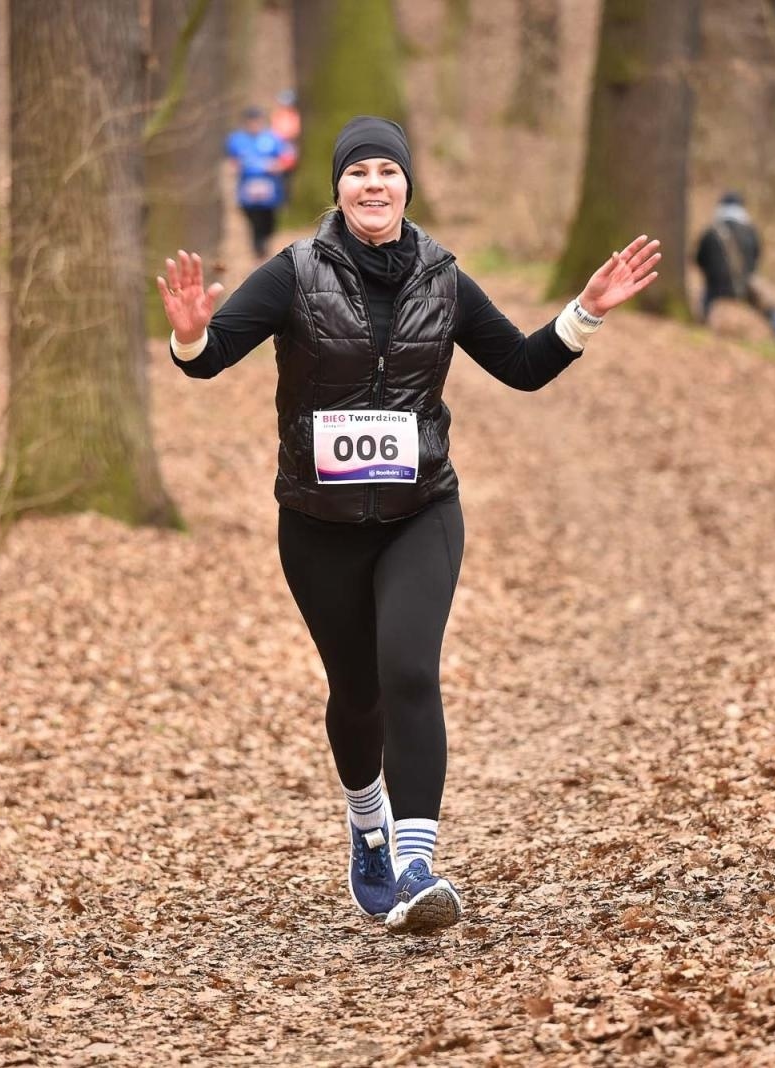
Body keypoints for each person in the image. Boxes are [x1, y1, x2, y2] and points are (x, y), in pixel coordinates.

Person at [157, 116, 660, 934]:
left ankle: (416, 865)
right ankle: (367, 828)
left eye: (387, 171)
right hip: (318, 522)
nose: (373, 185)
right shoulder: (292, 273)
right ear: (338, 189)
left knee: (409, 670)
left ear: (406, 187)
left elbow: (524, 367)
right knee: (356, 694)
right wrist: (188, 335)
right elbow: (211, 358)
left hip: (421, 509)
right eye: (358, 173)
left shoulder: (444, 277)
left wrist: (586, 312)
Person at [694, 192, 775, 352]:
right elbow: (756, 257)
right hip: (745, 285)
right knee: (772, 313)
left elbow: (699, 259)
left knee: (702, 308)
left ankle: (698, 337)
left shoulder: (710, 232)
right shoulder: (750, 231)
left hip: (715, 287)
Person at [224, 106, 292, 259]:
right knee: (253, 220)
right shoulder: (237, 140)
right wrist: (236, 166)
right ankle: (258, 248)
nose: (254, 124)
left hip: (270, 190)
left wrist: (277, 166)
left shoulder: (273, 138)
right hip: (248, 189)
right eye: (251, 121)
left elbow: (287, 158)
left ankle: (265, 241)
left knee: (269, 221)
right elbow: (231, 161)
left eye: (257, 121)